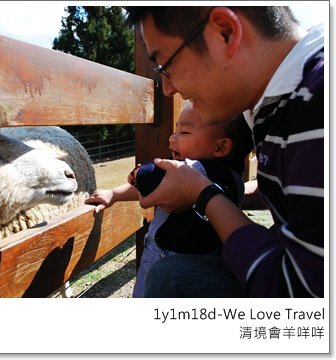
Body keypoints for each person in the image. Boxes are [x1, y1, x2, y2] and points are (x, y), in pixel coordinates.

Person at [125, 6, 324, 297]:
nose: (167, 89)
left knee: (171, 278)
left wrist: (205, 195)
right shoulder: (274, 102)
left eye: (167, 66)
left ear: (225, 33)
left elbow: (301, 297)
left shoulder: (318, 107)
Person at [85, 106, 253, 297]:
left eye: (184, 132)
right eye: (175, 130)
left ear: (220, 147)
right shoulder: (234, 179)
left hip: (172, 277)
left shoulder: (198, 170)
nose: (172, 138)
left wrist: (138, 174)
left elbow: (150, 178)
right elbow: (161, 185)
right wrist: (114, 194)